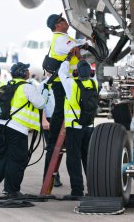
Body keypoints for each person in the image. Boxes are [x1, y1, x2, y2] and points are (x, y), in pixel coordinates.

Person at [0, 62, 48, 196]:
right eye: (26, 70)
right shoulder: (27, 87)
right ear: (22, 73)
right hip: (16, 128)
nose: (28, 72)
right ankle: (11, 190)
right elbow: (41, 103)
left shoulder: (4, 86)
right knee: (17, 159)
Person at [43, 13, 91, 179]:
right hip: (62, 81)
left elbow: (78, 45)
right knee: (60, 109)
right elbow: (76, 47)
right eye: (62, 20)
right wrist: (88, 43)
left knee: (62, 107)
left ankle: (56, 133)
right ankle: (56, 131)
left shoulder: (62, 38)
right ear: (57, 25)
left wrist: (86, 43)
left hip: (64, 81)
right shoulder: (62, 39)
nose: (65, 22)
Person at [58, 58, 98, 200]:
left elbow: (61, 73)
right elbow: (95, 72)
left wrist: (68, 59)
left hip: (74, 127)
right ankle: (94, 189)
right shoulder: (94, 83)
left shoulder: (71, 84)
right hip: (89, 127)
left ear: (77, 72)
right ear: (90, 73)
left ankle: (77, 191)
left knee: (73, 159)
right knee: (88, 158)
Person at [38, 74, 63, 187]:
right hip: (49, 120)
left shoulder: (65, 81)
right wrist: (43, 120)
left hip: (63, 119)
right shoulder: (43, 85)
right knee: (52, 150)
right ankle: (50, 178)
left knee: (62, 151)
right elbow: (40, 105)